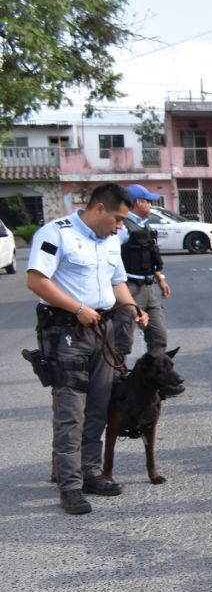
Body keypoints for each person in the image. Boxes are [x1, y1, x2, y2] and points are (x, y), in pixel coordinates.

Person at [25, 183, 148, 515]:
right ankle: (70, 486)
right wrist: (78, 307)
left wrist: (132, 308)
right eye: (119, 219)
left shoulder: (109, 241)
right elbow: (37, 280)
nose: (121, 226)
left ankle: (91, 472)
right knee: (71, 412)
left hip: (101, 328)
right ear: (98, 210)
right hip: (65, 330)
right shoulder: (56, 234)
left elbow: (117, 281)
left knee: (98, 406)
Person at [114, 184, 169, 358]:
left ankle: (154, 376)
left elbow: (149, 256)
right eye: (148, 202)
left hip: (147, 288)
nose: (151, 206)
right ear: (138, 202)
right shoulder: (122, 228)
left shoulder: (144, 226)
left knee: (158, 337)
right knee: (122, 342)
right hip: (128, 288)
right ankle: (116, 380)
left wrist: (160, 278)